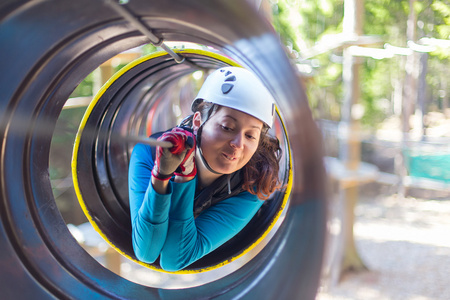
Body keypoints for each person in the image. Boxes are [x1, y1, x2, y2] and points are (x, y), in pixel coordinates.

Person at [128, 66, 282, 272]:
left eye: (250, 136)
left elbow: (174, 259)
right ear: (198, 121)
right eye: (227, 127)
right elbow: (146, 251)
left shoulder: (253, 185)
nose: (238, 143)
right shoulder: (148, 152)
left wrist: (185, 178)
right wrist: (160, 177)